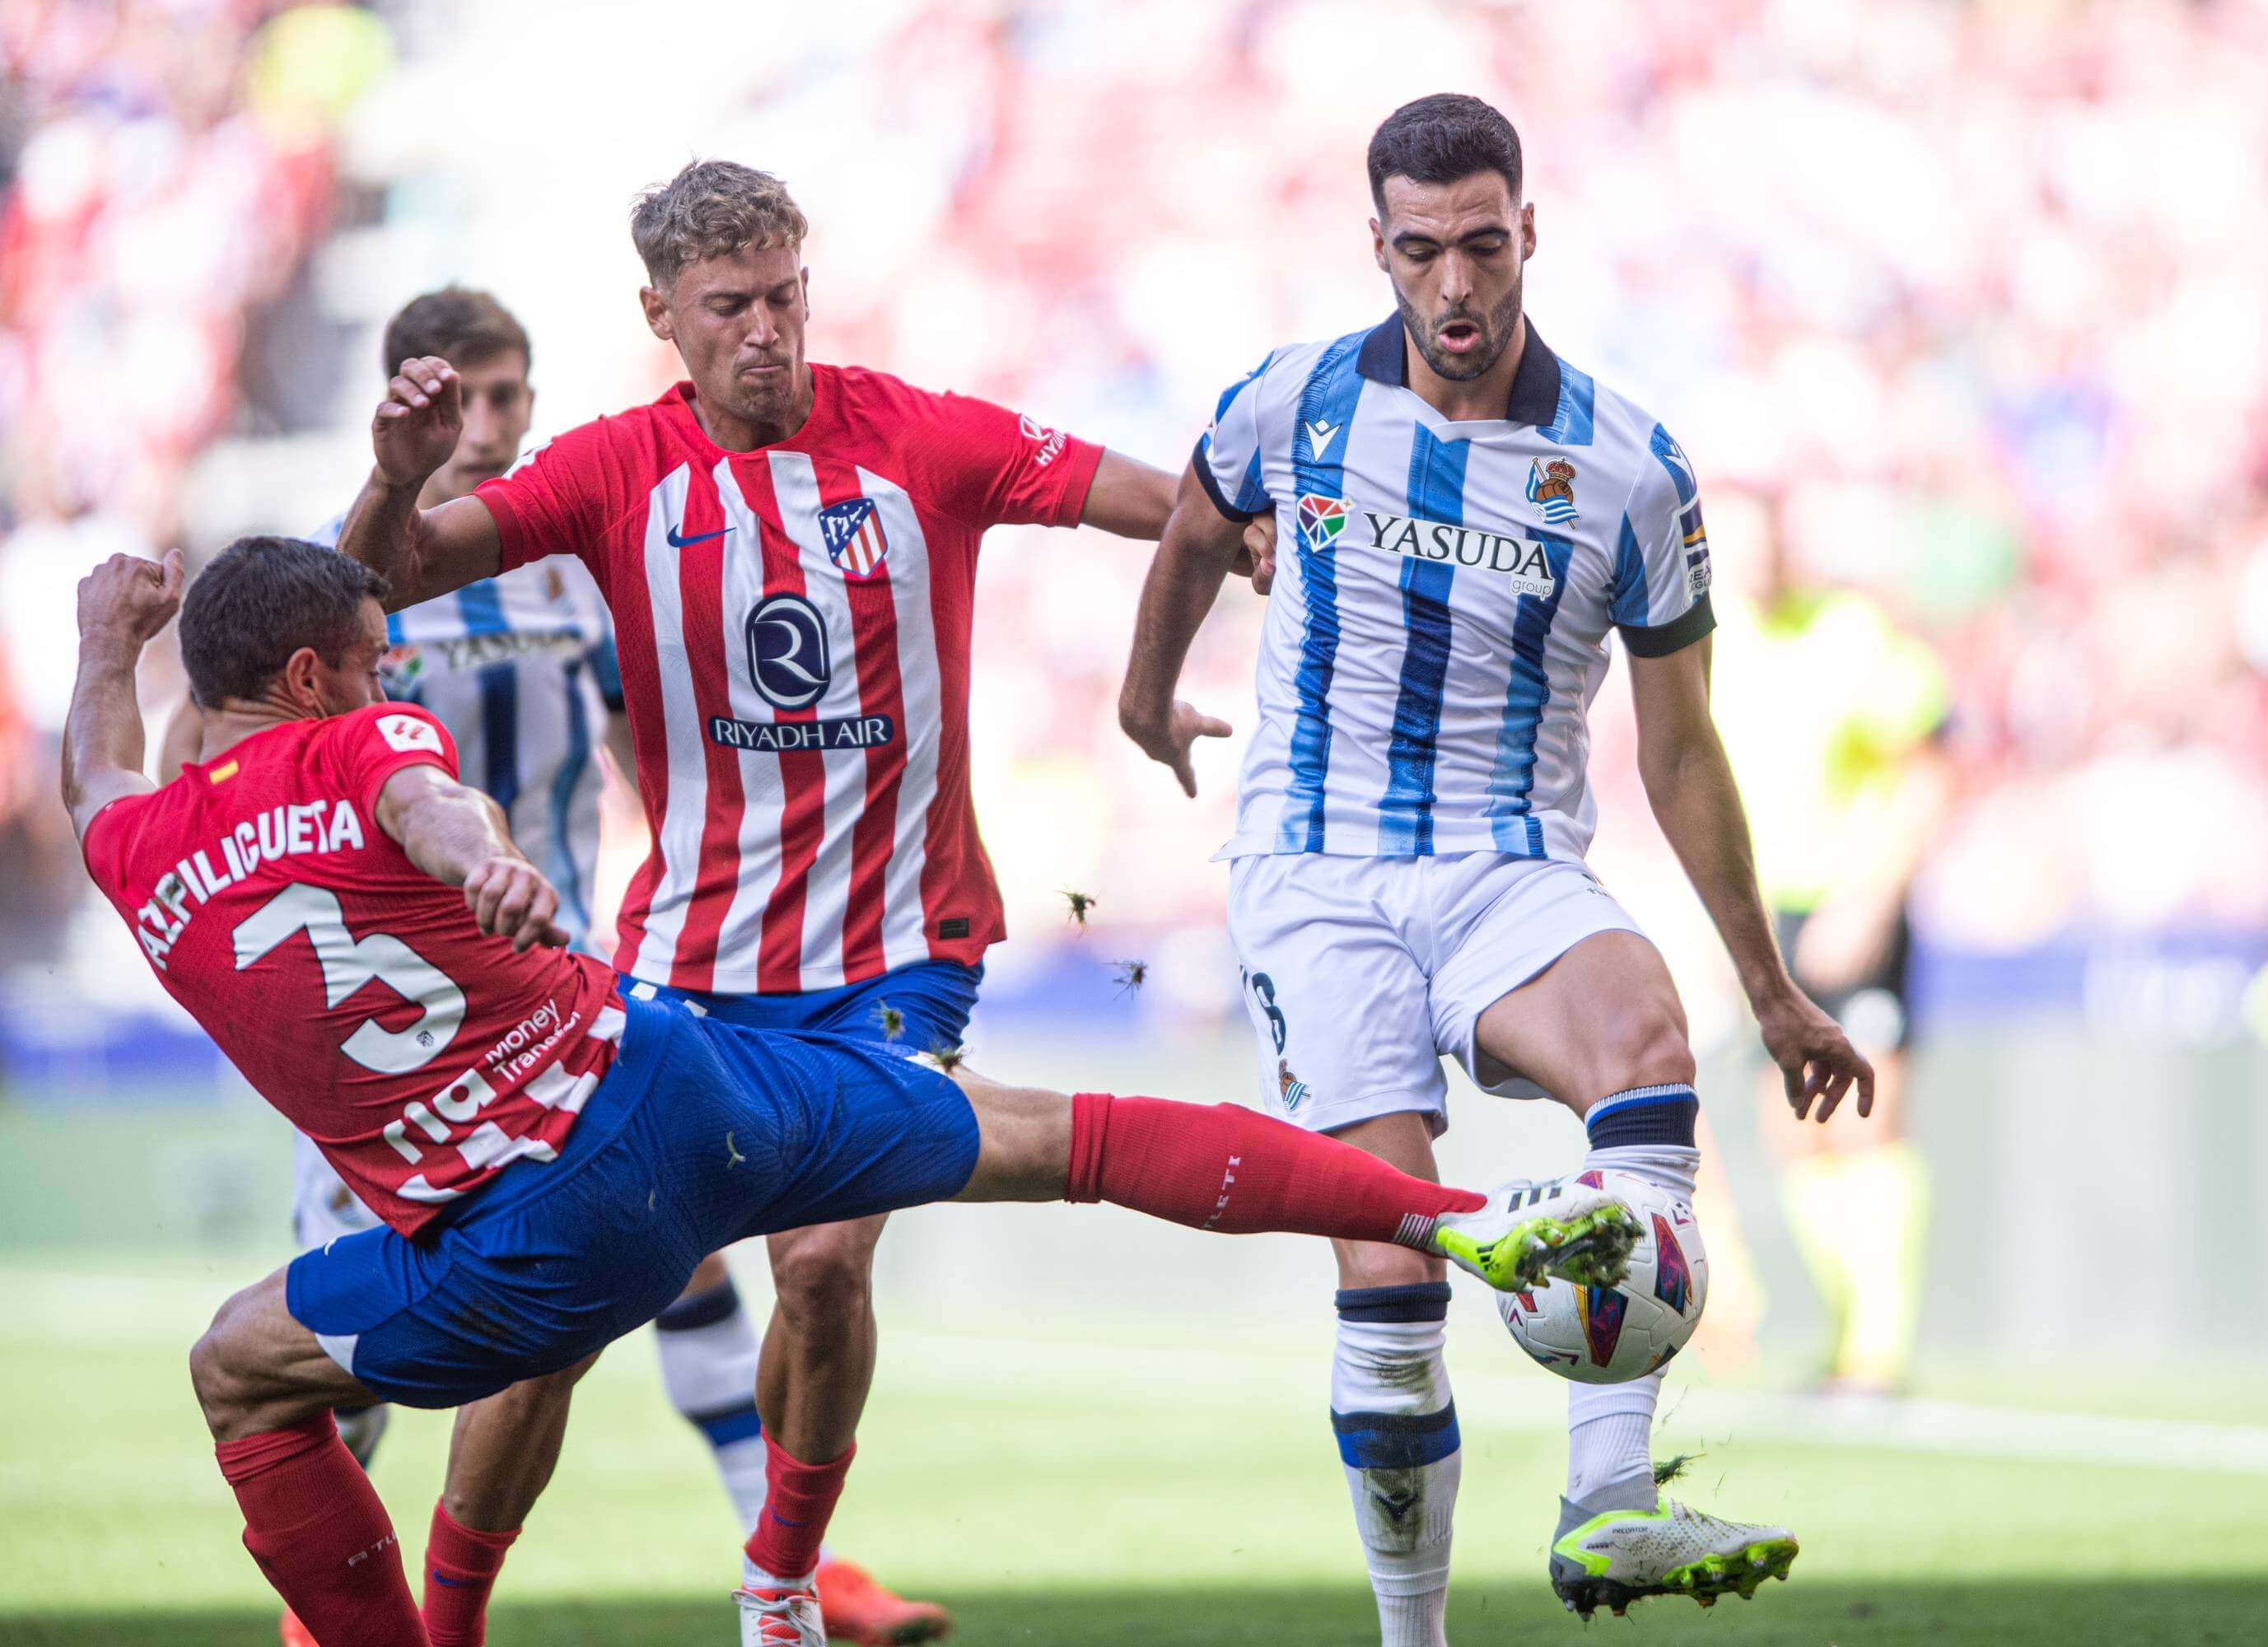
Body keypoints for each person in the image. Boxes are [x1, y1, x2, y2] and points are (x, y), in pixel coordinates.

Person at [63, 538, 1643, 1647]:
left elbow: (102, 778)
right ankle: (1459, 1217)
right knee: (1053, 1135)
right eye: (373, 657)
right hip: (678, 1084)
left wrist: (97, 639)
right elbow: (427, 794)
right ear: (307, 671)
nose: (394, 673)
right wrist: (484, 866)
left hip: (523, 1241)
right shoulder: (361, 747)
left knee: (239, 1367)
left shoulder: (134, 850)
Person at [329, 158, 1266, 1640]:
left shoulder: (922, 437)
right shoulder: (609, 469)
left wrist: (1253, 527)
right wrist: (394, 471)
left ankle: (778, 1588)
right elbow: (374, 585)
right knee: (550, 1307)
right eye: (729, 307)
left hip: (900, 951)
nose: (767, 330)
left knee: (823, 1263)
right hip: (686, 960)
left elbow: (1146, 497)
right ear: (662, 315)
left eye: (785, 296)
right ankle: (441, 1627)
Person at [1118, 94, 1874, 1636]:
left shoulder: (1631, 468)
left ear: (1529, 229)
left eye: (1481, 245)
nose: (1453, 286)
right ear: (1377, 247)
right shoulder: (1295, 400)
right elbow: (1196, 525)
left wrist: (1773, 986)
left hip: (1506, 862)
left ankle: (1609, 1510)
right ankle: (1416, 1632)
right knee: (1393, 1276)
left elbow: (1678, 749)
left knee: (1648, 1037)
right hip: (1314, 870)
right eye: (1419, 251)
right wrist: (1145, 701)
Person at [158, 287, 837, 1647]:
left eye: (507, 395)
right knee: (352, 1336)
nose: (485, 425)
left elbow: (658, 762)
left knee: (687, 1256)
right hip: (386, 1031)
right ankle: (339, 1604)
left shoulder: (573, 570)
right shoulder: (331, 592)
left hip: (565, 997)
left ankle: (789, 1559)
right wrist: (381, 490)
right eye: (451, 399)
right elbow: (200, 762)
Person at [1716, 492, 1951, 1396]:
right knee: (1795, 1131)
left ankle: (1879, 1351)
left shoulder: (1853, 634)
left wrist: (1873, 896)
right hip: (1763, 914)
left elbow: (1927, 766)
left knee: (1868, 1116)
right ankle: (1854, 1334)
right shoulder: (1710, 636)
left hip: (1849, 900)